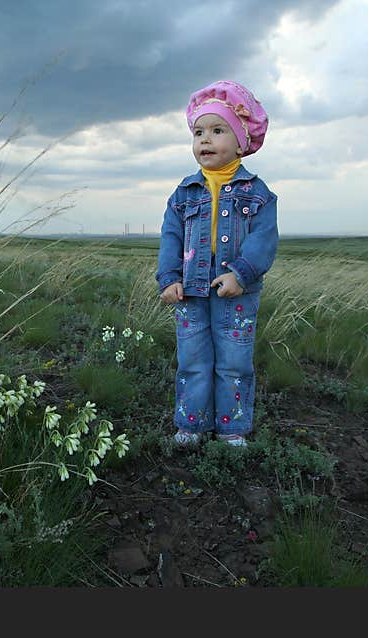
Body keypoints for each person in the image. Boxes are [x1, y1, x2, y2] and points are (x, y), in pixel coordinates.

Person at [155, 80, 278, 448]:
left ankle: (232, 429)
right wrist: (168, 278)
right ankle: (191, 424)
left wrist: (242, 273)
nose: (205, 140)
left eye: (217, 130)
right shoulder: (183, 193)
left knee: (234, 363)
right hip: (189, 292)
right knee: (193, 360)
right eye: (198, 132)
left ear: (241, 140)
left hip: (236, 293)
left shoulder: (258, 193)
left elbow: (264, 239)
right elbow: (170, 237)